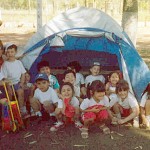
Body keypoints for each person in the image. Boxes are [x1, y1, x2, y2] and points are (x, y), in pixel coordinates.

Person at [1, 43, 28, 118]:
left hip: (17, 83)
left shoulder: (18, 62)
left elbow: (23, 73)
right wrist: (8, 86)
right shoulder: (5, 64)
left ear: (15, 52)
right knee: (10, 94)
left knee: (20, 92)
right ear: (6, 53)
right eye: (8, 52)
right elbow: (4, 77)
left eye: (12, 52)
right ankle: (9, 110)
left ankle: (21, 109)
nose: (10, 54)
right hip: (9, 83)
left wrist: (22, 82)